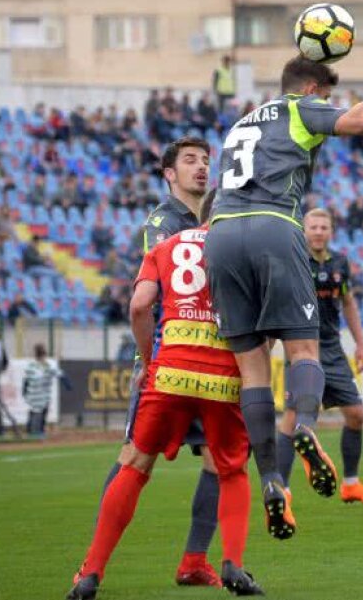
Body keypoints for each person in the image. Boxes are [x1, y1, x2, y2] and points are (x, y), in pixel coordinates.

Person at [205, 56, 363, 539]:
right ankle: (304, 425)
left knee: (253, 368)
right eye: (323, 95)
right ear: (310, 87)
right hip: (273, 226)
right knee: (303, 349)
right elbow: (359, 121)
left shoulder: (240, 125)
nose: (324, 104)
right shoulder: (299, 107)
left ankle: (272, 481)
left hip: (220, 232)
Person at [65, 203, 263, 600]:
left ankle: (90, 573)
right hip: (220, 377)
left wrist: (150, 360)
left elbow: (139, 306)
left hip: (170, 371)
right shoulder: (243, 250)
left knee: (135, 465)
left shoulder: (165, 246)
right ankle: (233, 565)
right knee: (232, 470)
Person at [94, 135, 223, 587]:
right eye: (190, 160)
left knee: (218, 460)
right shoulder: (163, 223)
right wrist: (146, 362)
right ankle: (95, 562)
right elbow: (148, 300)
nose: (201, 167)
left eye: (206, 160)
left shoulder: (204, 220)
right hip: (168, 358)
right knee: (134, 460)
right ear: (169, 174)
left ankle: (194, 561)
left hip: (199, 357)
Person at [274, 209, 363, 506]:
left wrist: (360, 344)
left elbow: (347, 302)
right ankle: (281, 488)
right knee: (292, 419)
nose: (319, 231)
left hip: (333, 350)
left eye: (324, 226)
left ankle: (351, 484)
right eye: (313, 226)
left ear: (332, 231)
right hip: (300, 347)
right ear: (304, 230)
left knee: (356, 414)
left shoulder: (340, 264)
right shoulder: (294, 261)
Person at [22, 343, 61, 440]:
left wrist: (24, 391)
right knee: (39, 412)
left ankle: (32, 430)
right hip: (40, 394)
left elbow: (26, 380)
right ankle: (36, 432)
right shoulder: (45, 365)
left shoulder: (31, 365)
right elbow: (56, 373)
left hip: (34, 394)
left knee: (36, 411)